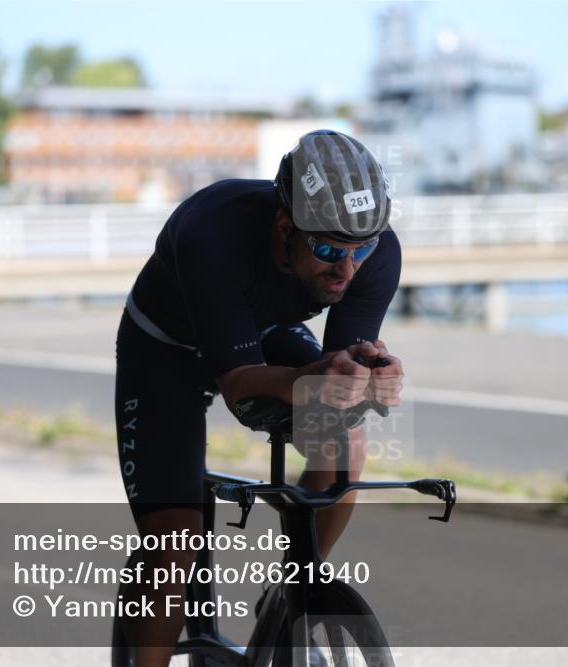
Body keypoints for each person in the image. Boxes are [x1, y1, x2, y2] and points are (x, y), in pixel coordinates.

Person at [114, 129, 404, 666]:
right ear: (283, 226)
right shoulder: (214, 232)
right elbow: (240, 388)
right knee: (174, 550)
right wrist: (317, 377)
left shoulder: (376, 253)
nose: (346, 271)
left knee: (347, 439)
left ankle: (293, 593)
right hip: (165, 349)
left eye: (360, 250)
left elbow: (338, 378)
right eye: (326, 251)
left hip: (260, 329)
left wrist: (370, 378)